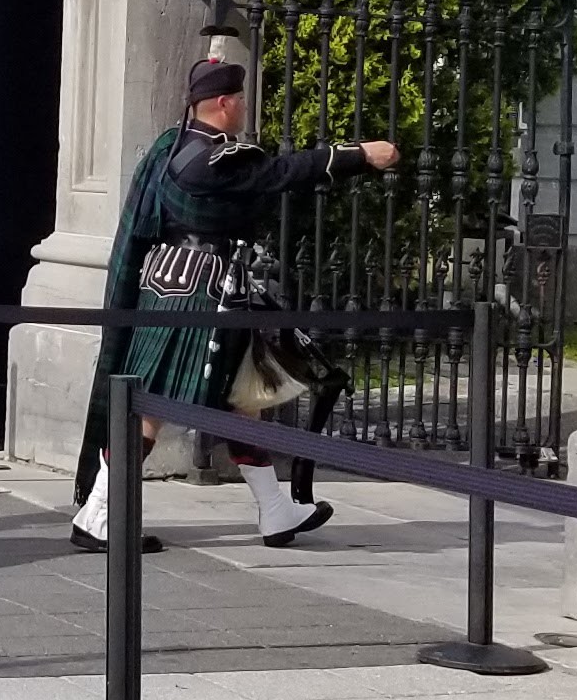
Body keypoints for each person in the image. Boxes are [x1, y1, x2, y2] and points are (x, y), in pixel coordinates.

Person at [71, 55, 398, 552]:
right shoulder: (217, 162)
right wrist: (357, 155)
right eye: (240, 98)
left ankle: (275, 511)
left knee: (245, 399)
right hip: (201, 292)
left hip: (177, 282)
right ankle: (97, 514)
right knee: (151, 407)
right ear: (223, 103)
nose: (245, 106)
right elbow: (284, 172)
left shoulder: (170, 146)